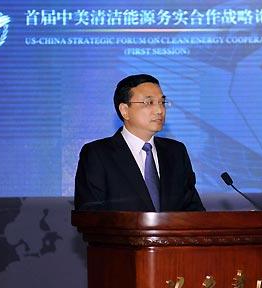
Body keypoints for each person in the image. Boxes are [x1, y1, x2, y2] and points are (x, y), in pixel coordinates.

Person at [74, 74, 205, 212]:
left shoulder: (176, 152)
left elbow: (193, 210)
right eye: (149, 103)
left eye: (162, 102)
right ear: (125, 110)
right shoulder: (98, 154)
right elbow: (89, 213)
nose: (160, 110)